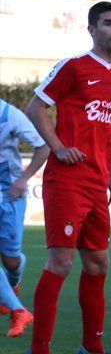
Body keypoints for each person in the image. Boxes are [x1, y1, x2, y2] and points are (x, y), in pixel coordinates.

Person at [23, 1, 111, 354]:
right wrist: (57, 147)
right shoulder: (73, 67)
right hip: (66, 182)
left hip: (97, 183)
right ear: (91, 29)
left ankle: (92, 350)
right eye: (107, 24)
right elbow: (36, 107)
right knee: (61, 264)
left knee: (98, 265)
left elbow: (108, 133)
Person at [0, 99, 50, 337]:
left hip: (10, 194)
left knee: (11, 261)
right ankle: (19, 311)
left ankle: (12, 287)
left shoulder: (9, 114)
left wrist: (23, 179)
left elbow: (43, 146)